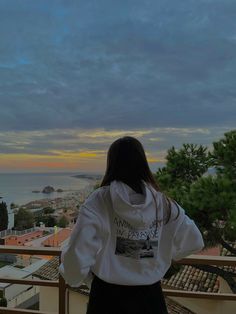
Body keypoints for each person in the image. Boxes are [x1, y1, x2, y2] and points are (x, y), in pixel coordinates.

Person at [59, 136, 204, 314]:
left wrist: (75, 276)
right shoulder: (164, 204)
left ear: (111, 163)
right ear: (143, 162)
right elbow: (194, 241)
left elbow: (78, 252)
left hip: (106, 299)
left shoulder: (99, 201)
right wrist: (159, 252)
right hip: (150, 300)